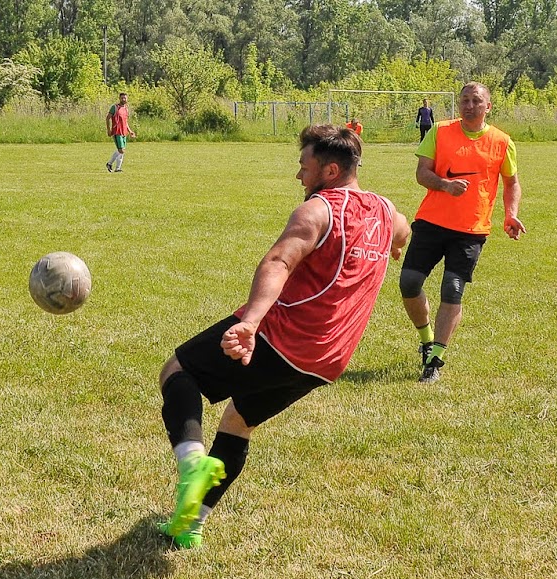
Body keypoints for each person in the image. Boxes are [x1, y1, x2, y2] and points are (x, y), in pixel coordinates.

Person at [156, 124, 410, 549]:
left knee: (177, 370)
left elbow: (278, 261)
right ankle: (190, 524)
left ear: (330, 170)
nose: (299, 177)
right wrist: (395, 246)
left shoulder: (317, 210)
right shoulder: (386, 210)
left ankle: (192, 462)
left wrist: (251, 322)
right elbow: (403, 232)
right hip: (328, 361)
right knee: (239, 421)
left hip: (282, 337)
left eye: (304, 167)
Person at [399, 82, 524, 383]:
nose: (469, 105)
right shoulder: (440, 131)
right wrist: (445, 185)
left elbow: (512, 183)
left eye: (476, 101)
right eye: (464, 100)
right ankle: (427, 338)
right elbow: (422, 173)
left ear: (488, 107)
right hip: (431, 221)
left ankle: (435, 359)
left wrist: (511, 214)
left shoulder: (502, 142)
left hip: (471, 229)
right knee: (409, 282)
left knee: (452, 289)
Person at [105, 92, 136, 172]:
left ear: (127, 99)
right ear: (119, 98)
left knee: (122, 150)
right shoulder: (114, 107)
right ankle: (112, 165)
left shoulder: (126, 109)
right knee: (121, 150)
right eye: (122, 98)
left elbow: (125, 122)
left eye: (125, 98)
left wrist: (130, 131)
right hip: (117, 131)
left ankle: (115, 167)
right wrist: (109, 129)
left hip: (124, 132)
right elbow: (108, 118)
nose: (123, 99)